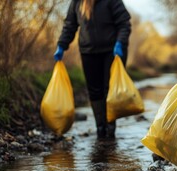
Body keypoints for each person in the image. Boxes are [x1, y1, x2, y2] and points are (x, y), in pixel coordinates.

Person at [54, 0, 131, 139]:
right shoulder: (77, 2)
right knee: (94, 90)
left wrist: (120, 42)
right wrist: (61, 45)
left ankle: (110, 127)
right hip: (88, 51)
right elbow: (70, 25)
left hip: (112, 51)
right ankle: (100, 127)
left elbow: (124, 23)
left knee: (109, 89)